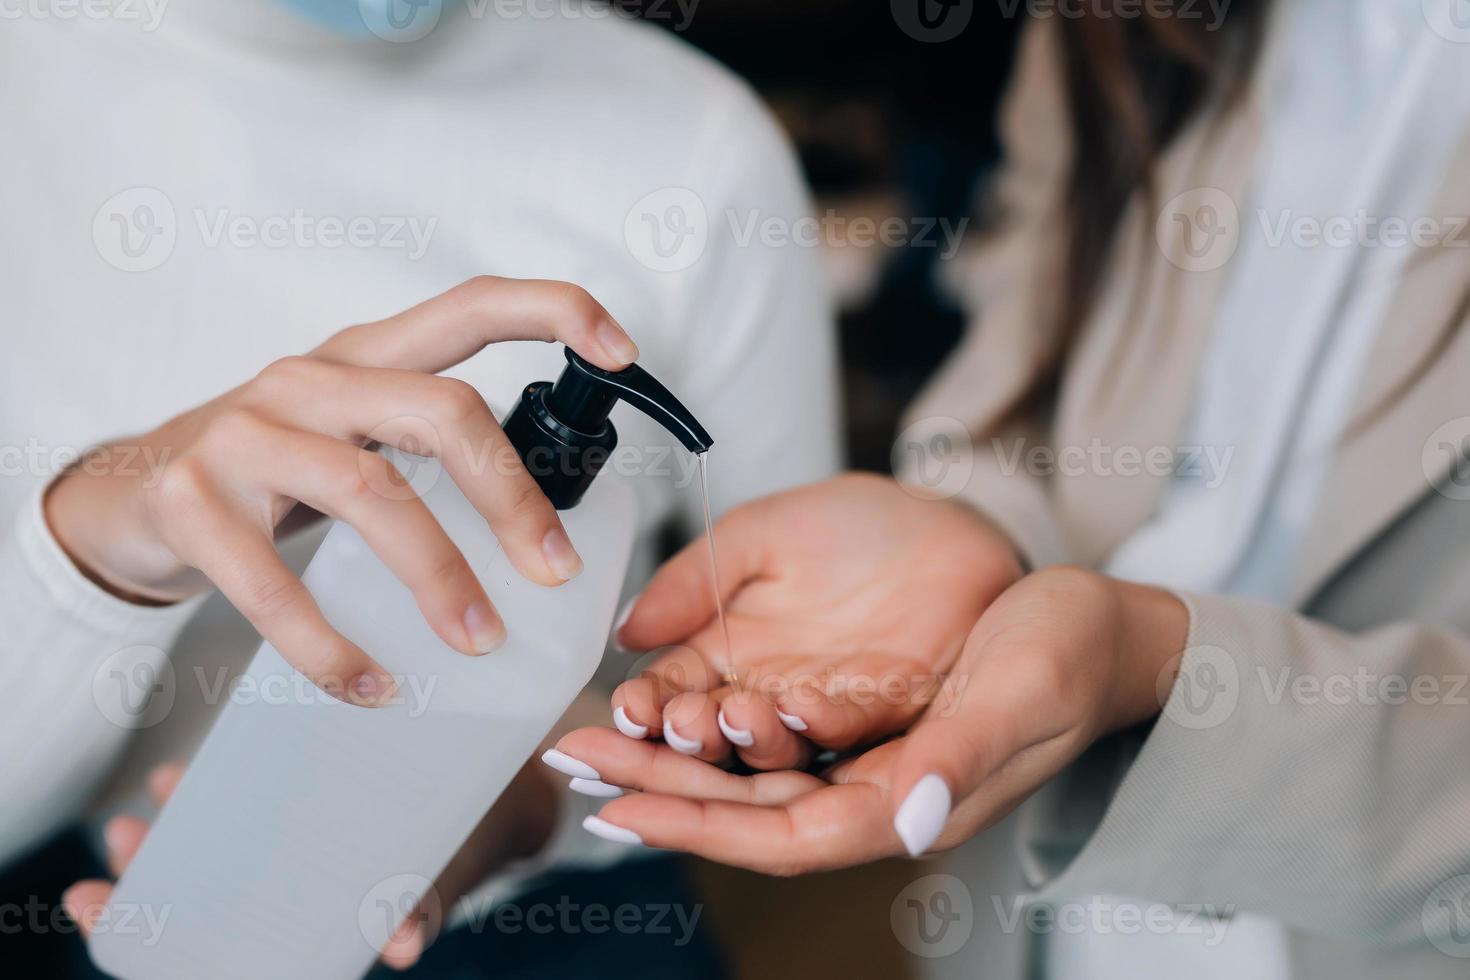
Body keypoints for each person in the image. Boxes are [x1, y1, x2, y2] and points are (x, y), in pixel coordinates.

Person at [539, 2, 1470, 978]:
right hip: (1039, 906)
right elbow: (1031, 312)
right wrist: (976, 526)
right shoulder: (1122, 26)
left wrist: (1151, 664)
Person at [2, 0, 839, 968]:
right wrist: (94, 552)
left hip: (555, 930)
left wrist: (531, 796)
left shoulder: (700, 149)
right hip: (126, 898)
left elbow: (770, 706)